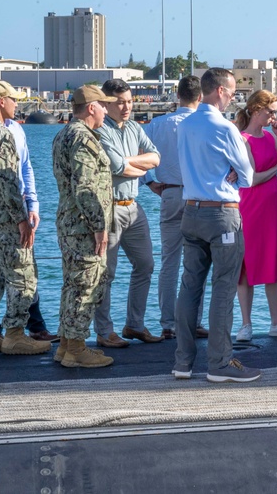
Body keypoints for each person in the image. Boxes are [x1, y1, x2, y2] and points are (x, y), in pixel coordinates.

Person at [173, 68, 259, 383]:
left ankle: (182, 362)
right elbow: (248, 176)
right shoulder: (225, 128)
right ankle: (220, 363)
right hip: (221, 213)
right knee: (223, 288)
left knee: (189, 286)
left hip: (191, 211)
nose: (234, 98)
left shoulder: (184, 125)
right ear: (220, 91)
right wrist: (233, 170)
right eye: (233, 92)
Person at [52, 84, 117, 367]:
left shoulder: (65, 134)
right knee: (87, 285)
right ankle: (77, 349)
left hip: (71, 223)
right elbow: (85, 188)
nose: (106, 110)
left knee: (72, 284)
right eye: (103, 105)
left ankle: (66, 344)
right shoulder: (83, 139)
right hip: (83, 226)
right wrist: (99, 226)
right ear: (91, 107)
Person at [94, 78, 162, 348]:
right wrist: (131, 165)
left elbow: (155, 157)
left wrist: (129, 164)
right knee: (106, 274)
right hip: (109, 208)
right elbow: (114, 166)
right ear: (106, 103)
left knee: (146, 264)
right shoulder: (101, 131)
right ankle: (104, 331)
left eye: (130, 101)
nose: (126, 107)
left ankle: (134, 325)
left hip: (133, 206)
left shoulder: (135, 127)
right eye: (120, 102)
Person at [143, 75, 208, 340]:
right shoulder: (204, 124)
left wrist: (150, 182)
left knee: (169, 262)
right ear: (200, 97)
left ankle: (168, 323)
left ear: (176, 96)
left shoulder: (156, 125)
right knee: (198, 262)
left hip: (169, 192)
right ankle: (194, 321)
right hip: (199, 197)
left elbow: (140, 155)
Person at [0, 97, 58, 343]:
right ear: (1, 101)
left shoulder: (16, 129)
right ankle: (15, 335)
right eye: (13, 99)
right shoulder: (0, 134)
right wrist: (21, 218)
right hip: (6, 215)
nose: (18, 105)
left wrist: (32, 203)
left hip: (4, 212)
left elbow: (25, 168)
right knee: (23, 276)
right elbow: (7, 180)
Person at [234, 89, 277, 341]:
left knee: (273, 260)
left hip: (272, 209)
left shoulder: (271, 137)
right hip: (251, 207)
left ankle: (276, 322)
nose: (273, 116)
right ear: (257, 110)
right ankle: (246, 324)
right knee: (246, 265)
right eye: (270, 111)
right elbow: (252, 178)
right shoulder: (242, 138)